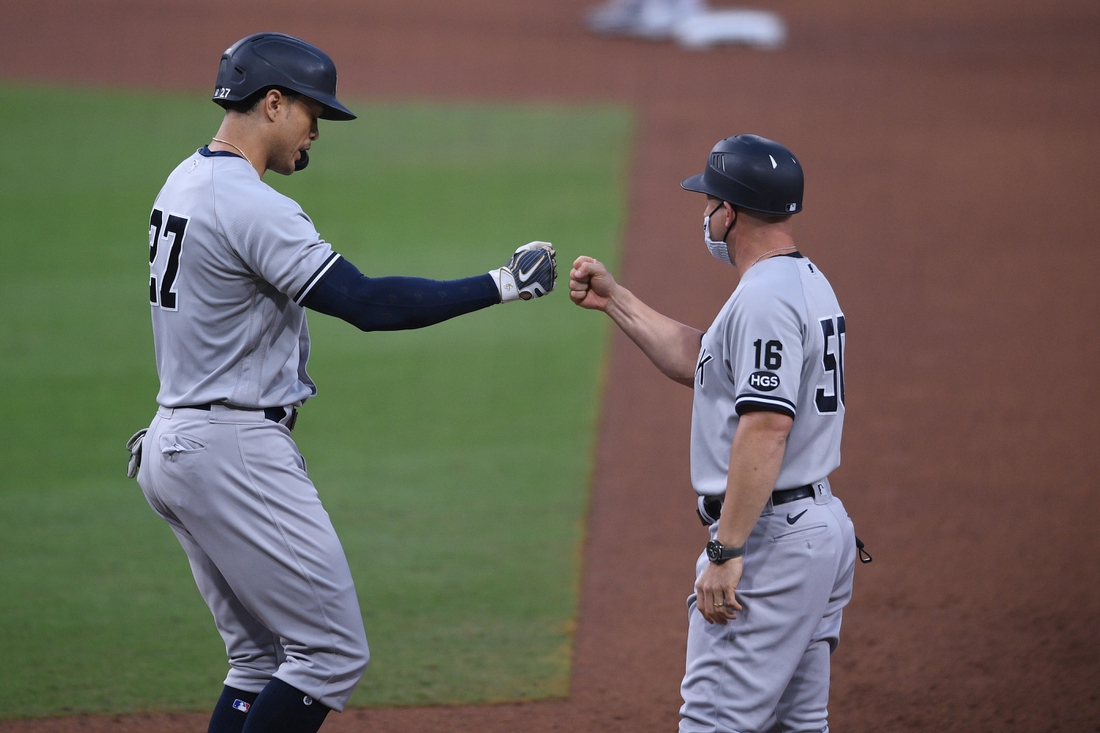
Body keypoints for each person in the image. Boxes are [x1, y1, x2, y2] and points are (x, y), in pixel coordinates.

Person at [126, 32, 556, 733]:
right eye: (310, 113)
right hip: (232, 448)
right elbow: (368, 304)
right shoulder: (249, 204)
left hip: (176, 442)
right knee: (328, 653)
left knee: (259, 661)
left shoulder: (183, 179)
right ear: (271, 103)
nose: (316, 132)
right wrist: (502, 283)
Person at [569, 134, 857, 732]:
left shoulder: (764, 299)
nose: (704, 214)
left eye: (709, 203)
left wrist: (727, 550)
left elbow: (767, 426)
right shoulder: (802, 281)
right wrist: (618, 301)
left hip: (771, 539)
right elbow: (706, 362)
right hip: (816, 531)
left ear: (730, 211)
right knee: (798, 725)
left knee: (713, 722)